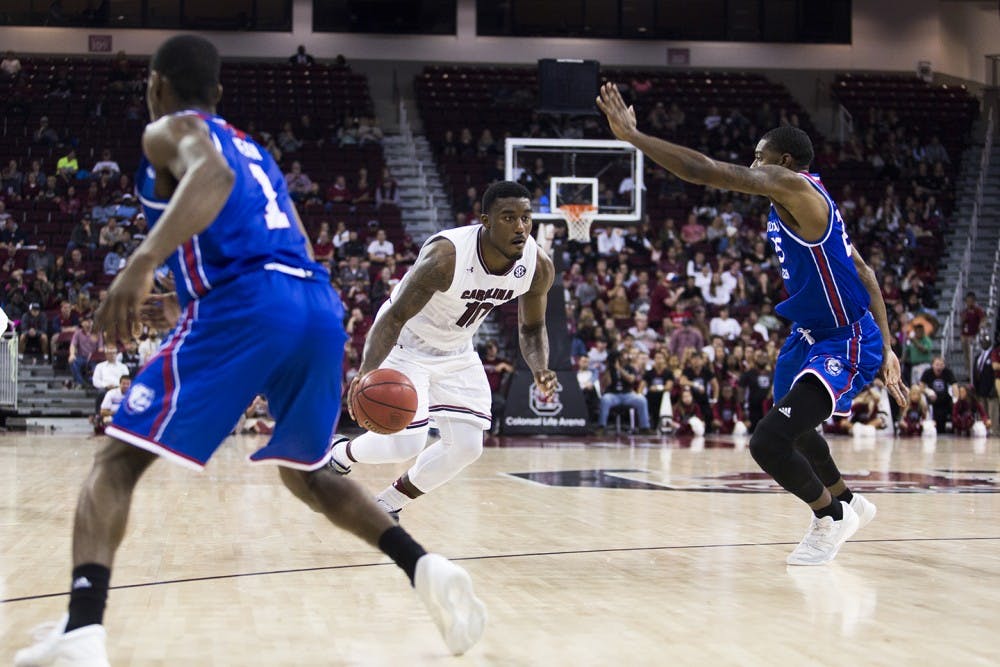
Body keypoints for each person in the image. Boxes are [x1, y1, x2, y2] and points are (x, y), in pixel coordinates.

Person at [15, 35, 484, 667]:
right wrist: (187, 302)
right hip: (314, 306)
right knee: (307, 472)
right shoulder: (256, 150)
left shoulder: (170, 129)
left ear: (156, 85)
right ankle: (424, 567)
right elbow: (280, 249)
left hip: (251, 303)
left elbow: (212, 177)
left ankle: (80, 632)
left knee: (117, 463)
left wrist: (142, 262)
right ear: (219, 92)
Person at [598, 83, 906, 566]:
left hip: (844, 337)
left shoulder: (796, 188)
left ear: (783, 162)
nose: (752, 163)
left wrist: (635, 137)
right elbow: (863, 271)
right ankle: (847, 502)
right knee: (796, 429)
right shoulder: (799, 201)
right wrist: (889, 347)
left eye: (759, 157)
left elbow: (704, 170)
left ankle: (830, 517)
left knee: (768, 441)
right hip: (807, 335)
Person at [327, 181, 556, 517]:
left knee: (467, 447)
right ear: (485, 221)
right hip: (406, 343)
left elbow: (532, 327)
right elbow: (395, 316)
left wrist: (540, 368)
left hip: (457, 349)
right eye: (508, 218)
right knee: (406, 442)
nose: (520, 227)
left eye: (526, 218)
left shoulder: (537, 266)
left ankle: (387, 504)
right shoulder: (446, 257)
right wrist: (366, 372)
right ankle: (340, 455)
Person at [920, 356, 957, 434]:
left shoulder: (947, 372)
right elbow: (921, 386)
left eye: (941, 365)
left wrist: (956, 399)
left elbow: (954, 386)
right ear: (932, 365)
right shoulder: (927, 373)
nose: (939, 367)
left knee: (953, 407)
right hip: (932, 401)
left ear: (944, 366)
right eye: (937, 365)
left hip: (945, 400)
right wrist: (928, 391)